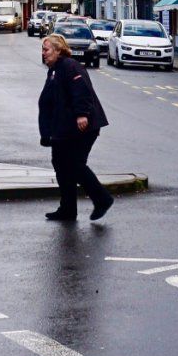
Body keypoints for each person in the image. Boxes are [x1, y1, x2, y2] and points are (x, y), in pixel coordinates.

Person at [38, 34, 112, 221]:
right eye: (43, 50)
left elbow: (82, 91)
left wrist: (82, 115)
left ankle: (102, 198)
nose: (43, 53)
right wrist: (47, 133)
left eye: (46, 50)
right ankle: (68, 209)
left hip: (82, 127)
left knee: (74, 165)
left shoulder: (70, 66)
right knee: (61, 166)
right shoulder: (54, 70)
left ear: (58, 50)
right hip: (64, 129)